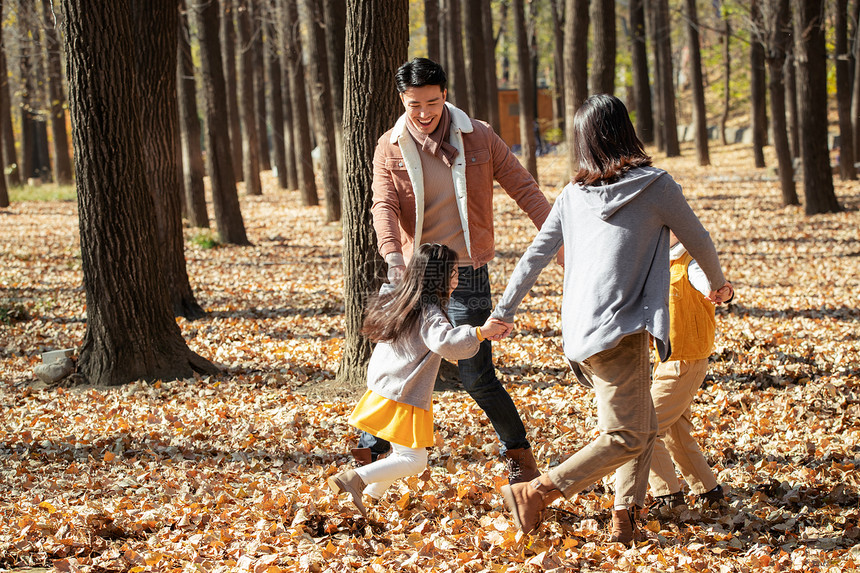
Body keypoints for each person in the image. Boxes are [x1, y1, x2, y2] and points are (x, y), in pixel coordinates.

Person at [490, 94, 733, 543]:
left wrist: (504, 312)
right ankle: (538, 492)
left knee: (639, 427)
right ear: (625, 131)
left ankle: (625, 521)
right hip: (622, 332)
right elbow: (700, 240)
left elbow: (533, 257)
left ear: (583, 142)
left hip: (581, 334)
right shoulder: (656, 185)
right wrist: (718, 286)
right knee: (627, 435)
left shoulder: (570, 196)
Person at [358, 57, 554, 484]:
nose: (424, 113)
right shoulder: (389, 146)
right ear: (402, 101)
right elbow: (383, 206)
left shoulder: (477, 135)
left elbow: (523, 186)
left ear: (445, 94)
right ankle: (368, 458)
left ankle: (518, 455)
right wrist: (394, 258)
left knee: (474, 370)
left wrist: (558, 239)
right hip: (416, 272)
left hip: (469, 271)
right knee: (397, 363)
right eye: (414, 105)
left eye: (431, 101)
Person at [328, 243, 507, 516]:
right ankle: (354, 478)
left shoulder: (405, 298)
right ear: (438, 276)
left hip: (390, 386)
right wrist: (480, 332)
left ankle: (369, 498)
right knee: (414, 460)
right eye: (454, 272)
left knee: (405, 454)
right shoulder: (430, 311)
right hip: (402, 391)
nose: (458, 277)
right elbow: (446, 342)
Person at [648, 232, 733, 516]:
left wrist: (720, 290)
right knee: (675, 431)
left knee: (643, 429)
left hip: (685, 361)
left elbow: (710, 283)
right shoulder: (655, 259)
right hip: (665, 358)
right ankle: (709, 492)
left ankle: (669, 497)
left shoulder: (691, 260)